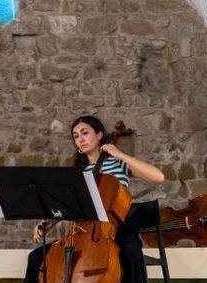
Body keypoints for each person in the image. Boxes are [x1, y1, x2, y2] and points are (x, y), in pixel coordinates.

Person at [23, 114, 166, 283]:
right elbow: (67, 206)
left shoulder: (117, 163)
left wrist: (120, 154)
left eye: (85, 133)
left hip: (117, 228)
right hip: (81, 232)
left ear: (99, 135)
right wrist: (47, 224)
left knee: (131, 251)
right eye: (76, 136)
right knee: (35, 257)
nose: (80, 139)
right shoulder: (78, 173)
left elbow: (158, 177)